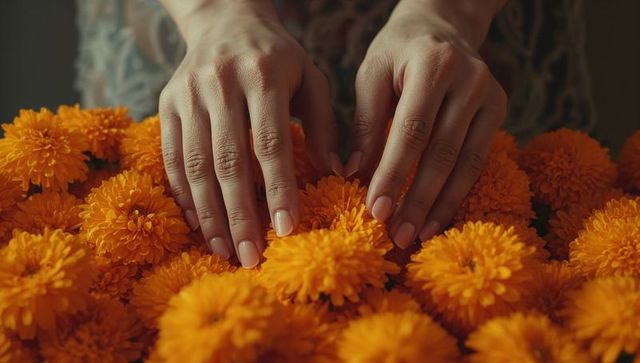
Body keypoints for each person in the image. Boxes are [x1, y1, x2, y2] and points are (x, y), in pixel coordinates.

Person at [75, 0, 597, 268]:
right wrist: (213, 15)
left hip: (474, 36)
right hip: (189, 33)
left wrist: (451, 14)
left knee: (509, 201)